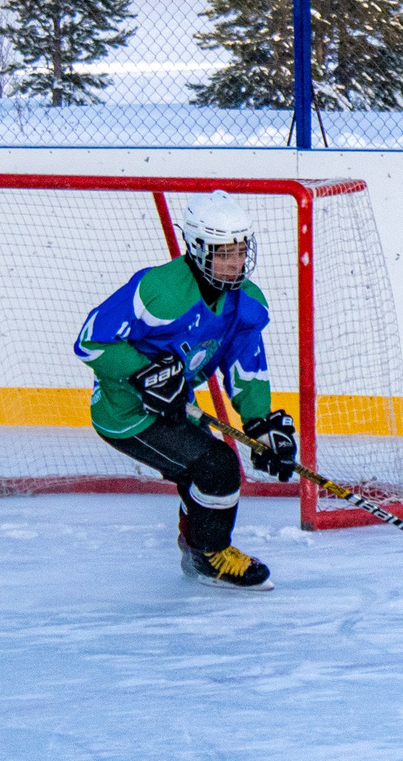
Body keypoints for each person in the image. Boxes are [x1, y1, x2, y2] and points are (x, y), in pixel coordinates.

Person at [75, 191, 300, 590]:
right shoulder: (158, 291)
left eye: (240, 250)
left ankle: (192, 539)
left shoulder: (245, 303)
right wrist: (143, 372)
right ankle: (208, 555)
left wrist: (260, 422)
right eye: (222, 253)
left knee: (200, 472)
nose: (234, 263)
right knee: (216, 467)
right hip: (127, 411)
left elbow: (245, 365)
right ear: (197, 249)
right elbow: (91, 341)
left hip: (176, 404)